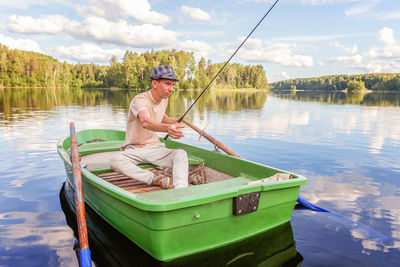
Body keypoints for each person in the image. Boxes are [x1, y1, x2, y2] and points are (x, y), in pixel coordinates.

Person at [110, 65, 188, 189]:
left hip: (155, 148)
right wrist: (168, 128)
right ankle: (154, 179)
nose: (171, 89)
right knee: (115, 160)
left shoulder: (164, 99)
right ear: (155, 83)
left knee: (180, 154)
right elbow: (146, 121)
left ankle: (181, 190)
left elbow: (160, 115)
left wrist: (172, 122)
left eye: (173, 85)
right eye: (167, 84)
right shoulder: (140, 100)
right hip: (135, 149)